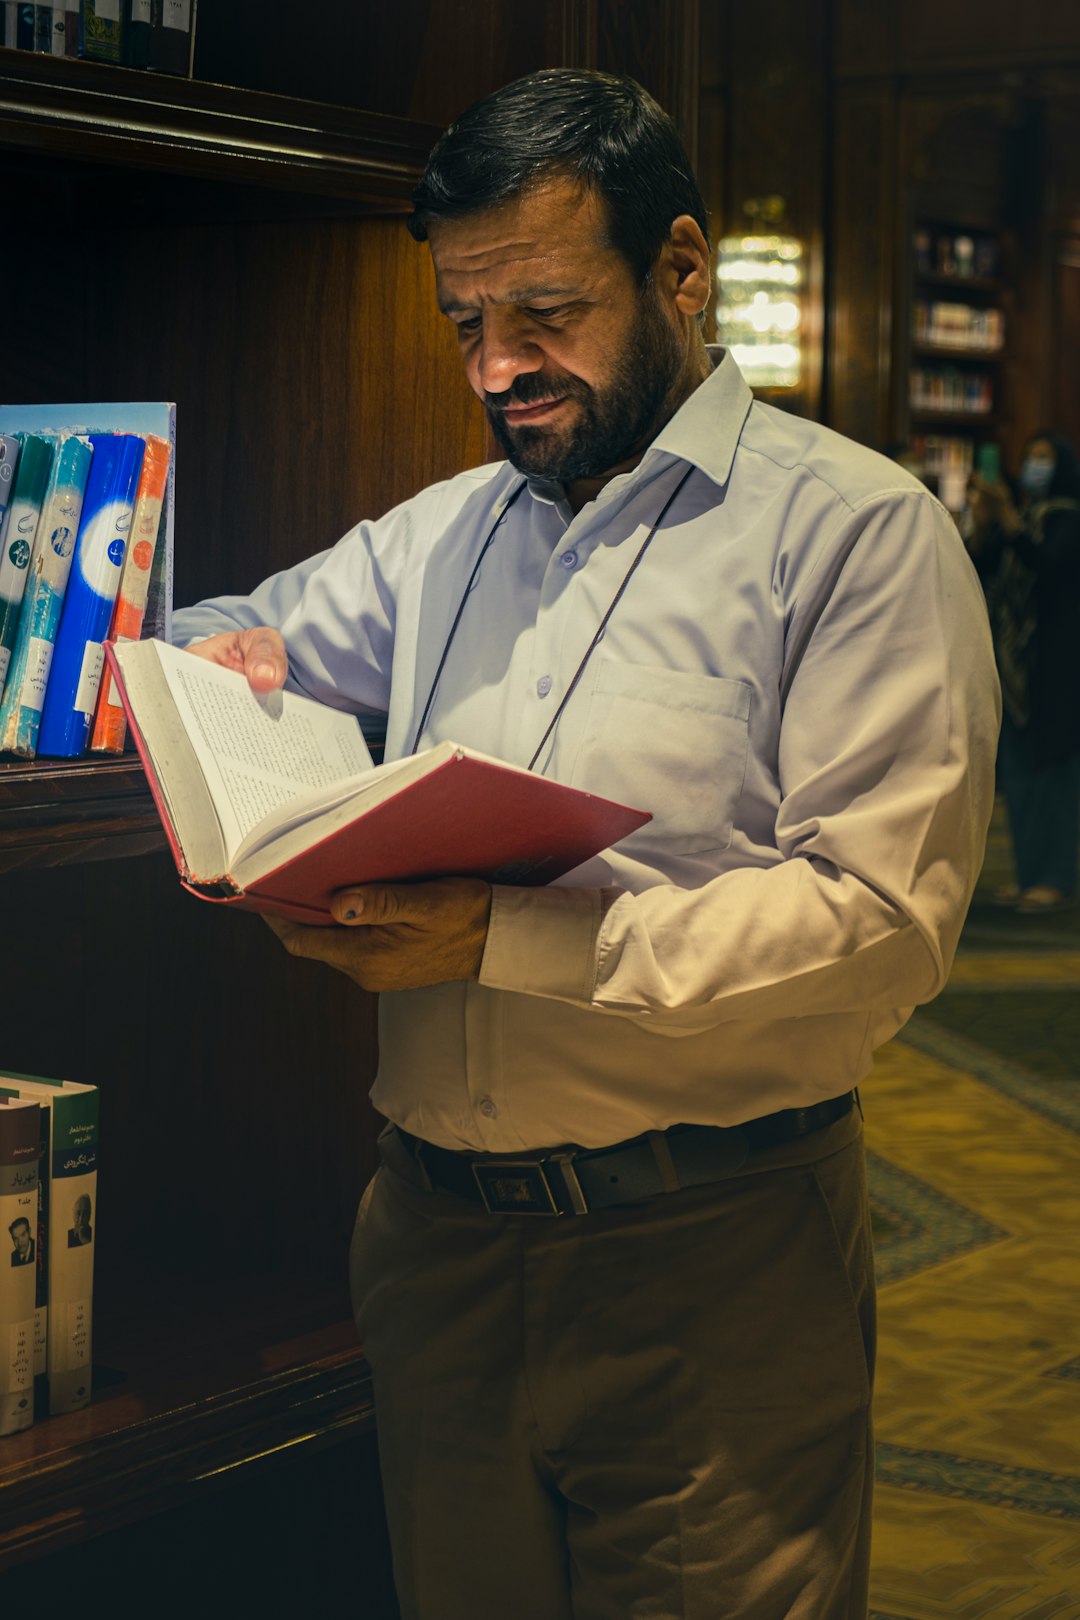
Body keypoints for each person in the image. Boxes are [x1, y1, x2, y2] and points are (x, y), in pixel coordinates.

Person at [170, 69, 999, 1620]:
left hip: (713, 1251)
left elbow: (882, 927)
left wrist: (502, 937)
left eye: (544, 313)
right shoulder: (443, 533)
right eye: (465, 321)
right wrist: (231, 675)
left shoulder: (858, 535)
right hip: (429, 1249)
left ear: (680, 271)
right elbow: (222, 626)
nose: (495, 367)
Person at [966, 431, 1080, 912]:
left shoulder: (1067, 519)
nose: (1034, 465)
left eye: (1044, 458)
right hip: (1014, 671)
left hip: (1054, 670)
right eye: (1028, 456)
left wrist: (1010, 522)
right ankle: (1028, 873)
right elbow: (982, 567)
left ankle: (1055, 876)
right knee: (1019, 778)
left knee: (1053, 780)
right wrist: (988, 522)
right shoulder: (1024, 518)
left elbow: (1049, 567)